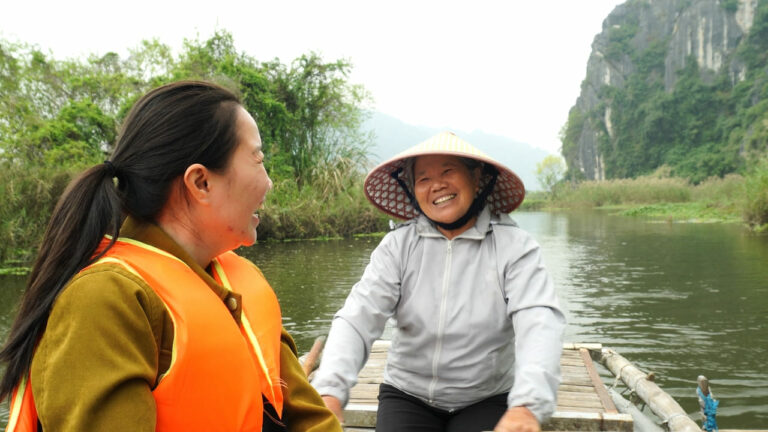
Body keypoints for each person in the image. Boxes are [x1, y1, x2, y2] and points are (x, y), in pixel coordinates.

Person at [0, 81, 342, 432]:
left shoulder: (236, 279)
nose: (269, 182)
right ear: (201, 183)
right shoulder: (103, 299)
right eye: (258, 160)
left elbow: (311, 422)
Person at [312, 131, 566, 432]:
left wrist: (528, 404)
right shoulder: (398, 247)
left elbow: (539, 319)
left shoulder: (514, 247)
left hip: (486, 396)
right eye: (423, 179)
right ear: (412, 190)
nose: (437, 185)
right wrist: (329, 392)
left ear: (476, 178)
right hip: (408, 394)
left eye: (448, 172)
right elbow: (358, 317)